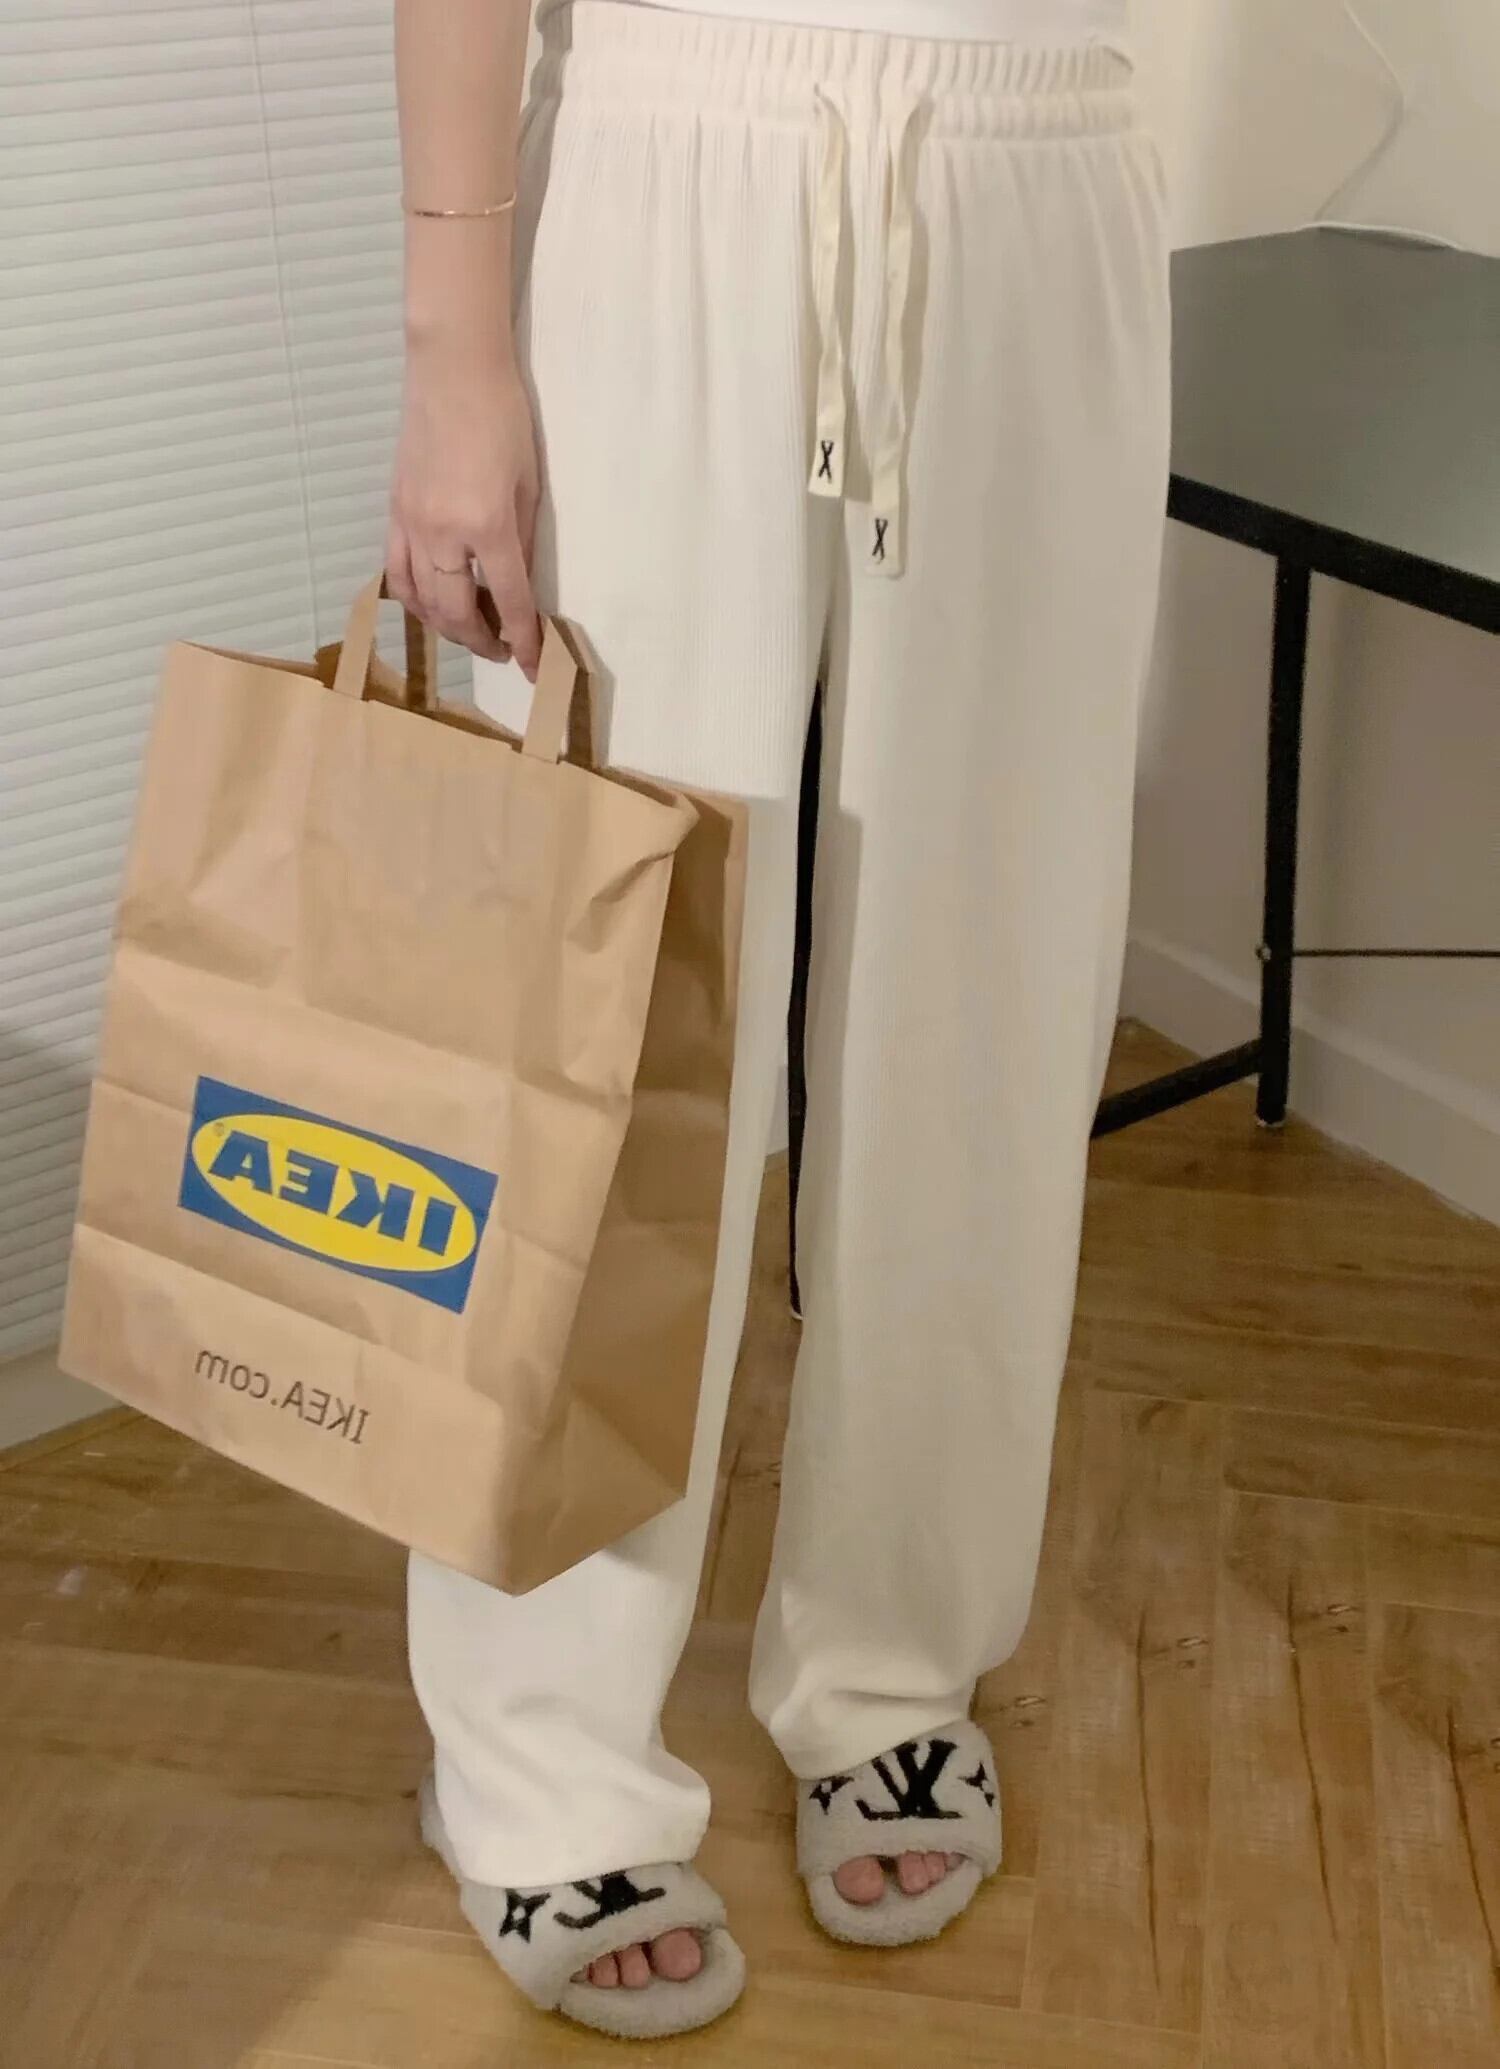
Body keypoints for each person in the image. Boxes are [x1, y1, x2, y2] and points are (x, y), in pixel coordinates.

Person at [388, 0, 1169, 2039]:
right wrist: (458, 355)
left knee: (984, 1019)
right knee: (604, 1029)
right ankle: (539, 1756)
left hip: (1043, 168)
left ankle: (893, 1659)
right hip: (673, 150)